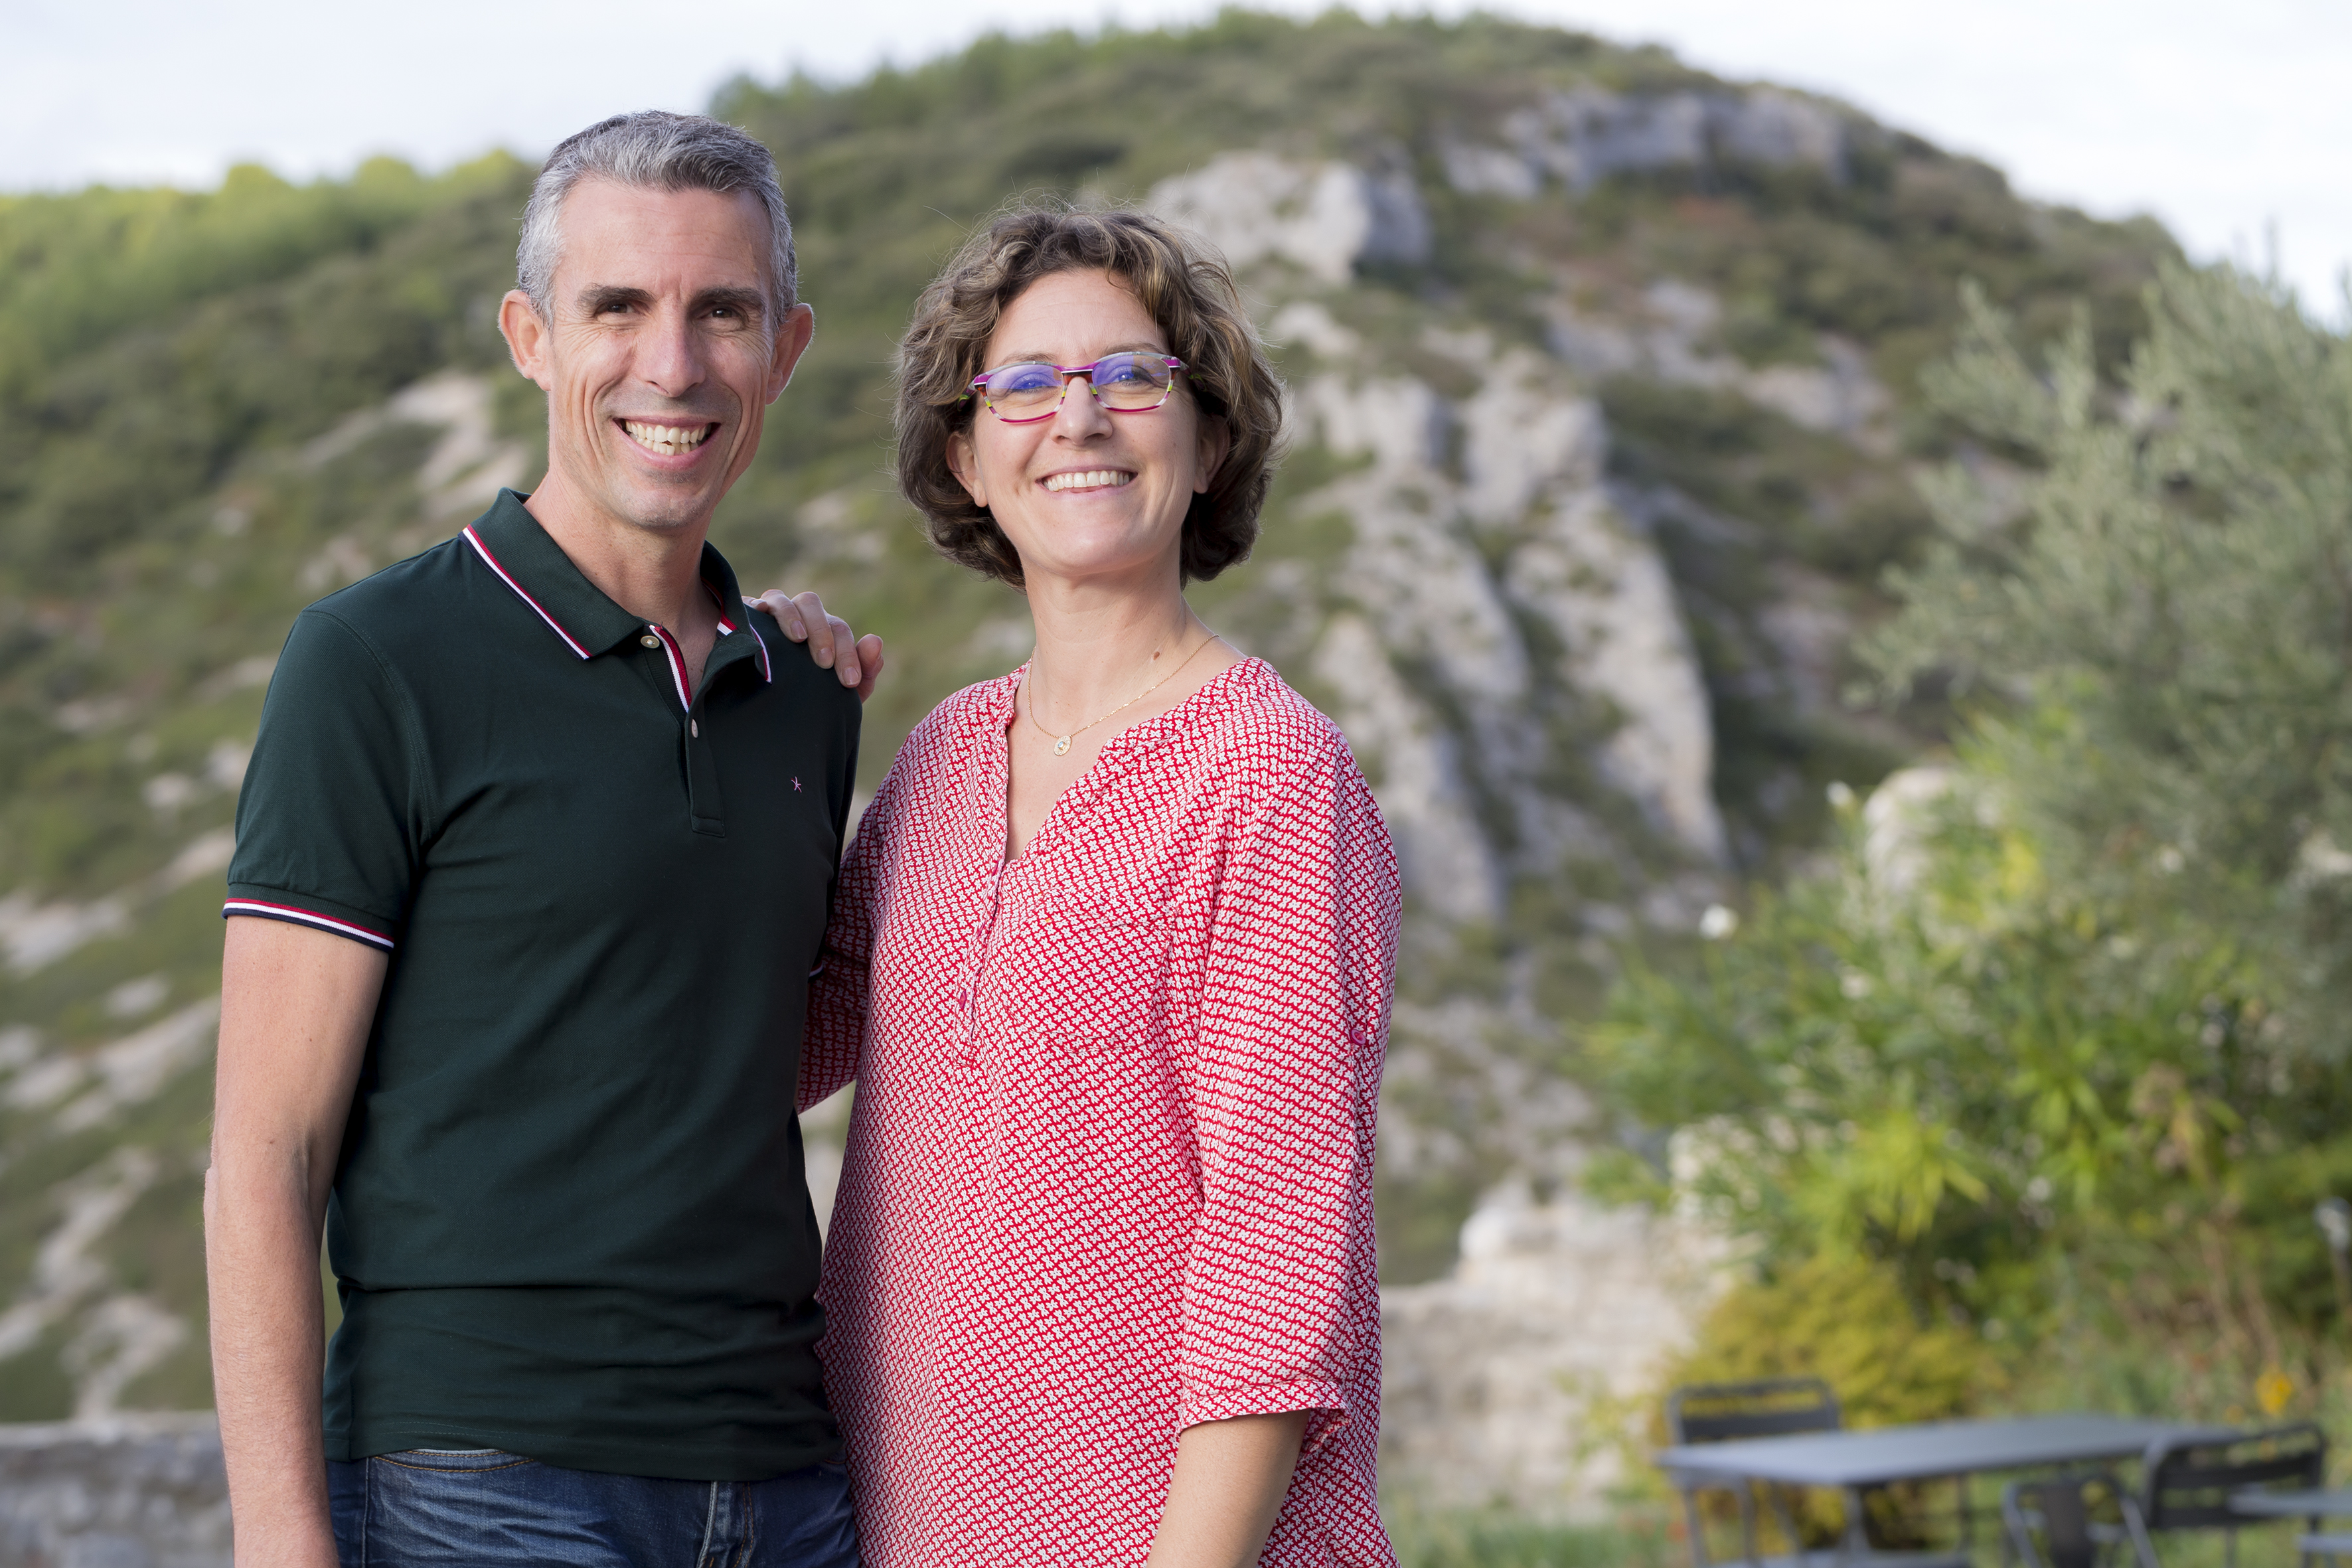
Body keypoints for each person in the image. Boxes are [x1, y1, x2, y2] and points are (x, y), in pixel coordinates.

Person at [204, 110, 881, 1568]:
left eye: (723, 312)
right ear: (529, 335)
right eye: (617, 307)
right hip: (483, 1480)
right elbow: (267, 1151)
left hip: (786, 1484)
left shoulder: (803, 697)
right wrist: (278, 1537)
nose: (674, 363)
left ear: (788, 345)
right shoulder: (374, 660)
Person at [789, 205, 1401, 1567]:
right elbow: (761, 1046)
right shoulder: (943, 756)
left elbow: (1274, 1250)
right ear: (965, 453)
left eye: (1130, 375)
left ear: (1210, 438)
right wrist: (718, 701)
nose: (1079, 417)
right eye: (1023, 383)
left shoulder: (1269, 772)